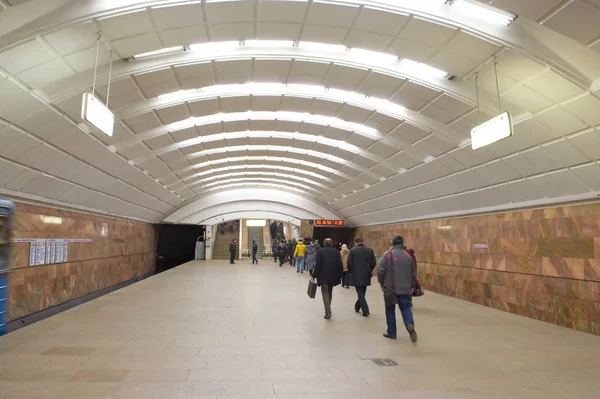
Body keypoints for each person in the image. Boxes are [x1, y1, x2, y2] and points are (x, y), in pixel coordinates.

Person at [377, 235, 417, 342]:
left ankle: (392, 332)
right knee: (405, 308)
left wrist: (381, 282)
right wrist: (412, 286)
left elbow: (380, 270)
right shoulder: (408, 256)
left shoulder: (388, 254)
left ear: (393, 244)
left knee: (390, 309)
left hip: (390, 288)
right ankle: (409, 324)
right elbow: (414, 273)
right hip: (405, 288)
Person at [312, 238, 343, 320]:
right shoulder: (336, 252)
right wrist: (340, 275)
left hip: (323, 276)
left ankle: (328, 312)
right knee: (330, 292)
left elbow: (318, 265)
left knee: (325, 293)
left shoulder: (320, 252)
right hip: (333, 276)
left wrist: (314, 275)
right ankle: (328, 308)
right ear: (332, 243)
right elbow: (340, 264)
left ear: (324, 243)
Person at [348, 237, 377, 317]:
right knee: (362, 292)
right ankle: (357, 307)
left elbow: (349, 263)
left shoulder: (353, 251)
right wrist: (369, 270)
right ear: (362, 242)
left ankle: (365, 310)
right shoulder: (369, 251)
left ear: (355, 243)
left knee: (360, 293)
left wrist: (351, 272)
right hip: (366, 274)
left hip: (356, 274)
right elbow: (373, 262)